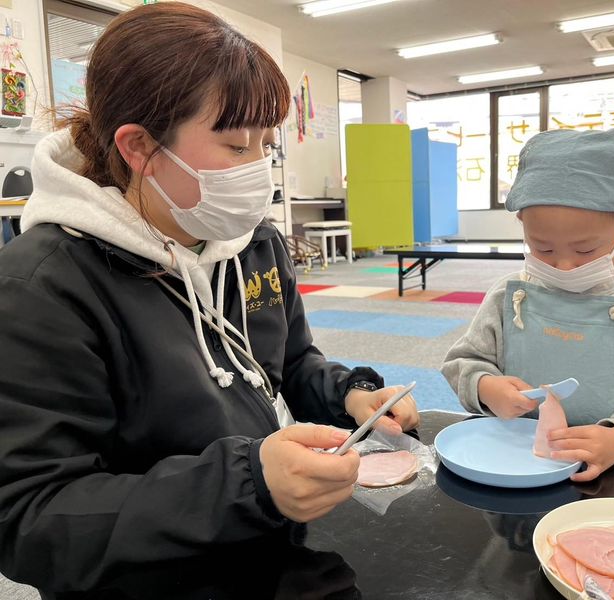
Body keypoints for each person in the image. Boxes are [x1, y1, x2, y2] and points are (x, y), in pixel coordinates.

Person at [0, 2, 418, 593]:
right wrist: (249, 484)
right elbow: (28, 518)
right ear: (139, 146)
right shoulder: (40, 287)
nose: (260, 170)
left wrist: (351, 395)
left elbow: (287, 363)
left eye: (267, 145)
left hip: (265, 537)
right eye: (235, 147)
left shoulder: (252, 244)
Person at [441, 127, 614, 483]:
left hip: (609, 483)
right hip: (509, 466)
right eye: (543, 248)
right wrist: (484, 387)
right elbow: (464, 362)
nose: (564, 265)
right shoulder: (509, 294)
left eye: (585, 250)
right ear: (522, 224)